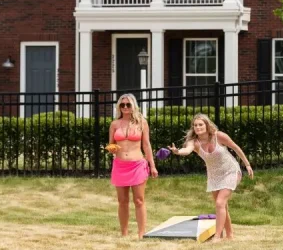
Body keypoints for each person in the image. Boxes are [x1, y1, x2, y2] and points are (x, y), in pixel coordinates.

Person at [168, 114, 253, 242]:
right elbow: (187, 150)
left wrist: (247, 164)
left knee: (220, 203)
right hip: (214, 176)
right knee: (222, 206)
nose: (198, 127)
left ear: (207, 125)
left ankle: (217, 236)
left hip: (231, 171)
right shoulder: (194, 142)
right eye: (195, 125)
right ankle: (229, 235)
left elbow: (235, 147)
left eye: (200, 124)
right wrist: (177, 152)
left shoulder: (219, 136)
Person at [106, 93, 158, 239]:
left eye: (128, 104)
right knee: (122, 201)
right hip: (120, 165)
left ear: (133, 105)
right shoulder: (114, 124)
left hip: (137, 164)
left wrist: (152, 165)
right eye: (122, 105)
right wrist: (111, 149)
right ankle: (124, 233)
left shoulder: (142, 122)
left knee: (139, 200)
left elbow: (146, 145)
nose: (125, 107)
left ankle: (142, 234)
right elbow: (111, 144)